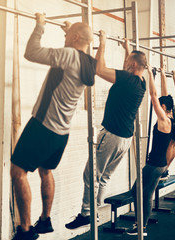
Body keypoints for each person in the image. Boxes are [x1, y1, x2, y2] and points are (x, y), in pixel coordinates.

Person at [10, 13, 97, 240]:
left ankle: (25, 230)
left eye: (69, 35)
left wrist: (40, 26)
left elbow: (31, 52)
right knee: (45, 170)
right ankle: (45, 220)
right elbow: (75, 51)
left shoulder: (69, 54)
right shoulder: (88, 61)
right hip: (61, 133)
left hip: (43, 126)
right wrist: (70, 34)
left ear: (75, 37)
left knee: (18, 172)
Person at [65, 31, 146, 229]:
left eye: (127, 61)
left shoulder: (127, 79)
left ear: (132, 65)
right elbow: (130, 65)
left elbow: (99, 69)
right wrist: (128, 49)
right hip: (125, 139)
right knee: (104, 176)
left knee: (90, 175)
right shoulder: (140, 83)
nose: (124, 63)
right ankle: (96, 211)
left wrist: (102, 43)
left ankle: (86, 213)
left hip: (111, 136)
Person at [126, 68, 174, 236]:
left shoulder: (164, 120)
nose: (157, 108)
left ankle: (141, 227)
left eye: (160, 106)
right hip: (158, 164)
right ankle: (140, 225)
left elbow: (154, 97)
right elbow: (164, 97)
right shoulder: (170, 117)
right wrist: (161, 75)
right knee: (142, 192)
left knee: (142, 194)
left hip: (154, 165)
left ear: (163, 107)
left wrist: (150, 74)